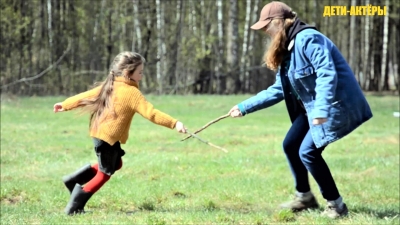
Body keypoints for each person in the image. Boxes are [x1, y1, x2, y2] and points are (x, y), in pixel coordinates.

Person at [228, 1, 372, 219]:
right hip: (313, 108)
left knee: (308, 152)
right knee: (291, 144)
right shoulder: (288, 48)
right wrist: (244, 107)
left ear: (278, 22)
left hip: (334, 105)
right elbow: (279, 89)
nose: (265, 31)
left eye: (267, 26)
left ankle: (337, 206)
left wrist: (322, 109)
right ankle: (305, 197)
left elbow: (327, 73)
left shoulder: (308, 39)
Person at [53, 51, 187, 215]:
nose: (142, 76)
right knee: (104, 174)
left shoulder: (111, 84)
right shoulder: (131, 93)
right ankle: (74, 207)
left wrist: (65, 104)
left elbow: (84, 96)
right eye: (140, 73)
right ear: (127, 73)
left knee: (116, 164)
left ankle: (73, 180)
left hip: (102, 135)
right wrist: (174, 123)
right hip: (107, 138)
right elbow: (152, 113)